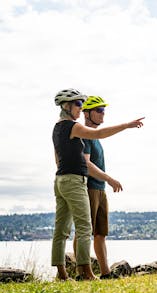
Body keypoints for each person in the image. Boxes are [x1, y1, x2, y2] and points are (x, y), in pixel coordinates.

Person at [52, 88, 144, 281]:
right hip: (75, 180)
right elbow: (99, 134)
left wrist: (65, 172)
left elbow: (57, 158)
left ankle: (62, 274)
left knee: (61, 230)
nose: (80, 107)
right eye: (78, 104)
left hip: (61, 179)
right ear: (67, 106)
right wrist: (126, 125)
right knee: (85, 228)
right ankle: (85, 273)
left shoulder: (57, 128)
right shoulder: (73, 126)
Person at [73, 96, 123, 279]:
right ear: (87, 113)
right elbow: (87, 164)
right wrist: (109, 179)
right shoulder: (85, 135)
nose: (103, 114)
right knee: (83, 231)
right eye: (99, 110)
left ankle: (105, 272)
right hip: (89, 188)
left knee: (100, 233)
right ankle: (82, 273)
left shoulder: (96, 138)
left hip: (100, 189)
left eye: (104, 110)